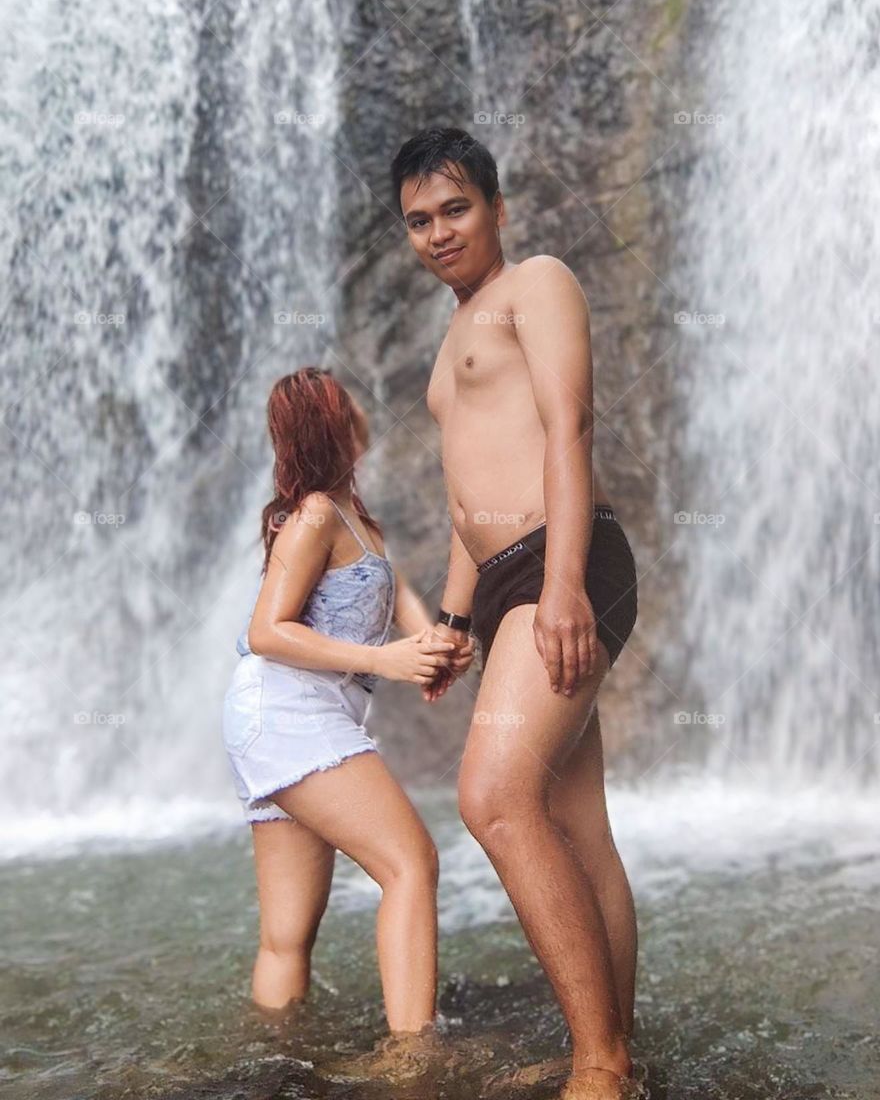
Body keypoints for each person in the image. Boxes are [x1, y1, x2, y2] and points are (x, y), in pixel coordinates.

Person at [391, 129, 642, 1100]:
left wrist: (567, 582)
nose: (438, 232)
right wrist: (455, 621)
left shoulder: (535, 283)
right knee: (576, 825)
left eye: (455, 209)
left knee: (492, 797)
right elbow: (466, 507)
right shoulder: (448, 344)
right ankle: (619, 1042)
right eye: (418, 219)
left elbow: (568, 425)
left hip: (564, 559)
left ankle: (600, 1064)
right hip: (503, 580)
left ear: (494, 207)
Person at [222, 366, 473, 1042]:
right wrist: (383, 661)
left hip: (287, 720)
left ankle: (272, 1068)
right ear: (332, 420)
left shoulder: (356, 517)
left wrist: (440, 647)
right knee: (411, 864)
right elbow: (265, 631)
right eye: (346, 397)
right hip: (287, 715)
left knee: (286, 934)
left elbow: (409, 617)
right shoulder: (313, 515)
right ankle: (413, 1061)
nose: (362, 403)